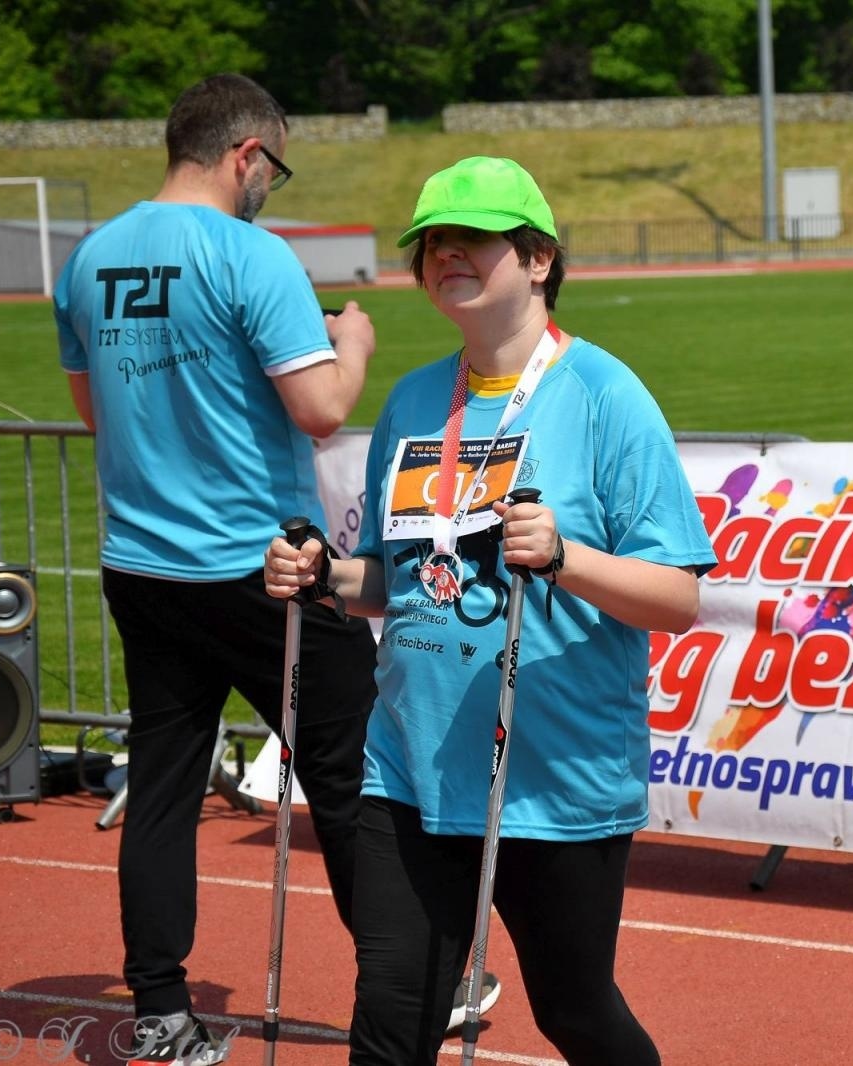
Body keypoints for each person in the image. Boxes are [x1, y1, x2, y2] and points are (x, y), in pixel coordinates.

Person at [263, 155, 716, 1066]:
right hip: (411, 771)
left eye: (471, 238)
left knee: (574, 1012)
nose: (445, 255)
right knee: (392, 1016)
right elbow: (397, 579)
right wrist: (323, 577)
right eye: (432, 241)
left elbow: (678, 597)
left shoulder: (604, 396)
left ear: (538, 258)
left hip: (554, 781)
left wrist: (564, 556)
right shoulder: (414, 398)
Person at [52, 73, 383, 1065]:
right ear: (246, 154)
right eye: (274, 167)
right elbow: (321, 412)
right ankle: (416, 978)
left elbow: (93, 414)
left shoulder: (90, 256)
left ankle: (159, 1008)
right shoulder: (252, 254)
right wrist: (350, 344)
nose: (272, 186)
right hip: (260, 564)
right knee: (352, 775)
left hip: (142, 562)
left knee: (161, 781)